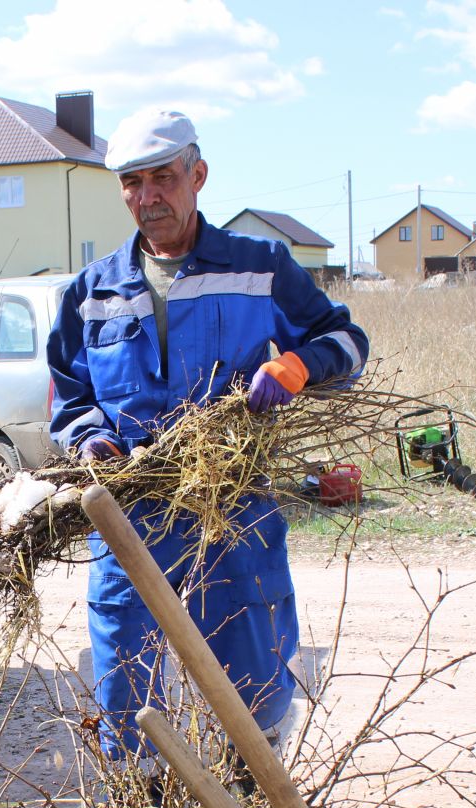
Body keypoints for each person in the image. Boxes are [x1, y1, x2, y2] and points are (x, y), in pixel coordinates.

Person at [48, 109, 369, 762]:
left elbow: (347, 342)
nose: (147, 197)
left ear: (198, 176)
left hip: (234, 503)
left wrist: (299, 364)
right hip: (129, 511)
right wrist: (89, 440)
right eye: (132, 183)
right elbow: (69, 393)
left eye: (162, 178)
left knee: (254, 666)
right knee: (124, 679)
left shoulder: (260, 266)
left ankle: (257, 797)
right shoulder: (92, 290)